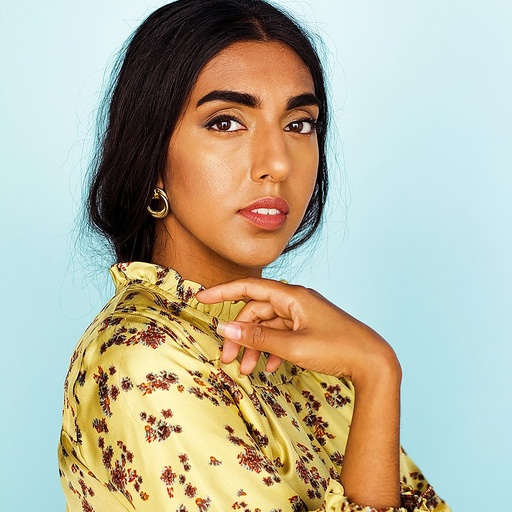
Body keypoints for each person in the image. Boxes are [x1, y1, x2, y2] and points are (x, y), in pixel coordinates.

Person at [58, 1, 450, 511]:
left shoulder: (306, 348)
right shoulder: (144, 361)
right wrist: (377, 372)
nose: (277, 164)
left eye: (299, 124)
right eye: (226, 122)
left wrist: (373, 370)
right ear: (150, 155)